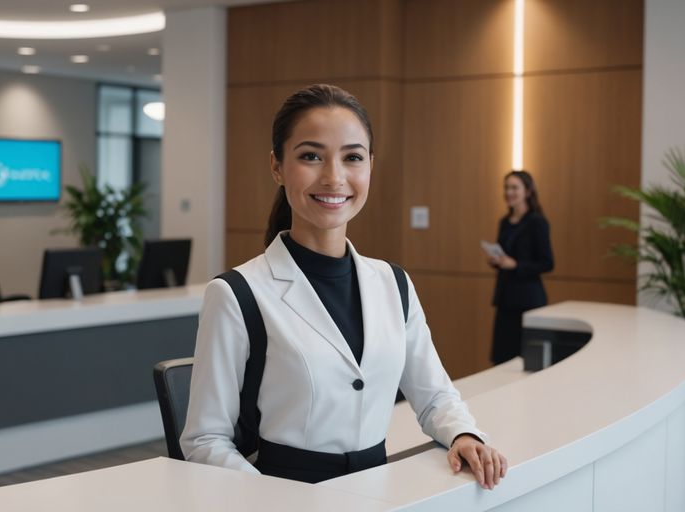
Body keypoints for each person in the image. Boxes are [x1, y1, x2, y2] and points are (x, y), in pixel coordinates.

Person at [181, 84, 507, 489]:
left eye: (352, 157)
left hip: (378, 489)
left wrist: (464, 434)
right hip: (284, 495)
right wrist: (274, 502)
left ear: (370, 166)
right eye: (311, 156)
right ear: (277, 166)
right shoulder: (237, 293)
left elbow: (435, 396)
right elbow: (205, 440)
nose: (334, 177)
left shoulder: (393, 283)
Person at [488, 170, 554, 365]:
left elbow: (548, 262)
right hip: (505, 298)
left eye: (514, 188)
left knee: (526, 359)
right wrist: (497, 260)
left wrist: (516, 265)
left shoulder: (537, 222)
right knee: (502, 358)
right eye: (506, 188)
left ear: (528, 191)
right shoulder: (504, 222)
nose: (509, 192)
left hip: (528, 300)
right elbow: (505, 255)